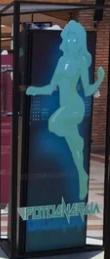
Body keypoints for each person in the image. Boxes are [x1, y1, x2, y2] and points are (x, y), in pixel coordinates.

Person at [26, 20, 104, 201]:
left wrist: (100, 80)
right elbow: (50, 87)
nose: (71, 42)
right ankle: (82, 175)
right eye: (69, 39)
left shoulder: (80, 63)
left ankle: (77, 141)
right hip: (64, 107)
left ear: (80, 42)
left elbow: (87, 90)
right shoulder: (61, 61)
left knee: (53, 123)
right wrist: (33, 90)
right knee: (75, 149)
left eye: (75, 39)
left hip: (75, 107)